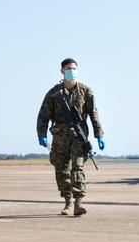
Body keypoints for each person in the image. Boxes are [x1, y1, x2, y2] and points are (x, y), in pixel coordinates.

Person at [36, 58, 104, 216]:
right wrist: (42, 135)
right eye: (68, 68)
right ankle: (68, 202)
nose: (71, 71)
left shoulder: (86, 91)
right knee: (61, 169)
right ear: (62, 71)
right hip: (60, 137)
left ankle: (78, 203)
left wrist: (99, 134)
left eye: (74, 68)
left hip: (79, 137)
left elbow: (94, 114)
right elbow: (43, 116)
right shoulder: (54, 93)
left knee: (77, 167)